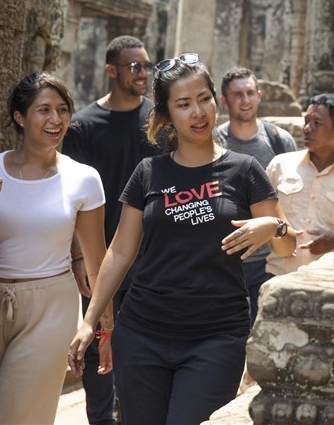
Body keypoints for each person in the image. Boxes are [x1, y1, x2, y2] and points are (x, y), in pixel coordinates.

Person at [69, 53, 297, 424]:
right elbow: (121, 251)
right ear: (165, 115)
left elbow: (289, 246)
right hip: (143, 331)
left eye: (204, 99)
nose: (198, 112)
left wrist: (273, 227)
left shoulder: (244, 170)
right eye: (184, 104)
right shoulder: (148, 172)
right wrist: (90, 320)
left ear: (215, 101)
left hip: (216, 336)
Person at [0, 72, 113, 425]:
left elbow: (98, 263)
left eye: (63, 110)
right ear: (20, 117)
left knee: (12, 417)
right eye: (44, 110)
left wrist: (102, 328)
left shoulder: (84, 178)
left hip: (50, 306)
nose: (56, 120)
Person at [63, 35, 161, 425]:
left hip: (153, 256)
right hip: (100, 255)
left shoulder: (160, 119)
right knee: (95, 342)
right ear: (111, 70)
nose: (142, 74)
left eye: (146, 66)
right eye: (134, 66)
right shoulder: (84, 126)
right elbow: (73, 198)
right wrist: (77, 257)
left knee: (144, 344)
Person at [216, 67, 296, 325]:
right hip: (225, 260)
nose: (245, 100)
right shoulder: (214, 142)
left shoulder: (279, 141)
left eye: (250, 93)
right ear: (224, 101)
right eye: (237, 95)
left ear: (259, 96)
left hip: (269, 261)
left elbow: (289, 200)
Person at [265, 93, 334, 277]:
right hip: (277, 277)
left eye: (317, 123)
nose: (307, 129)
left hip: (327, 284)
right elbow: (257, 212)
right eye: (306, 121)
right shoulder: (280, 165)